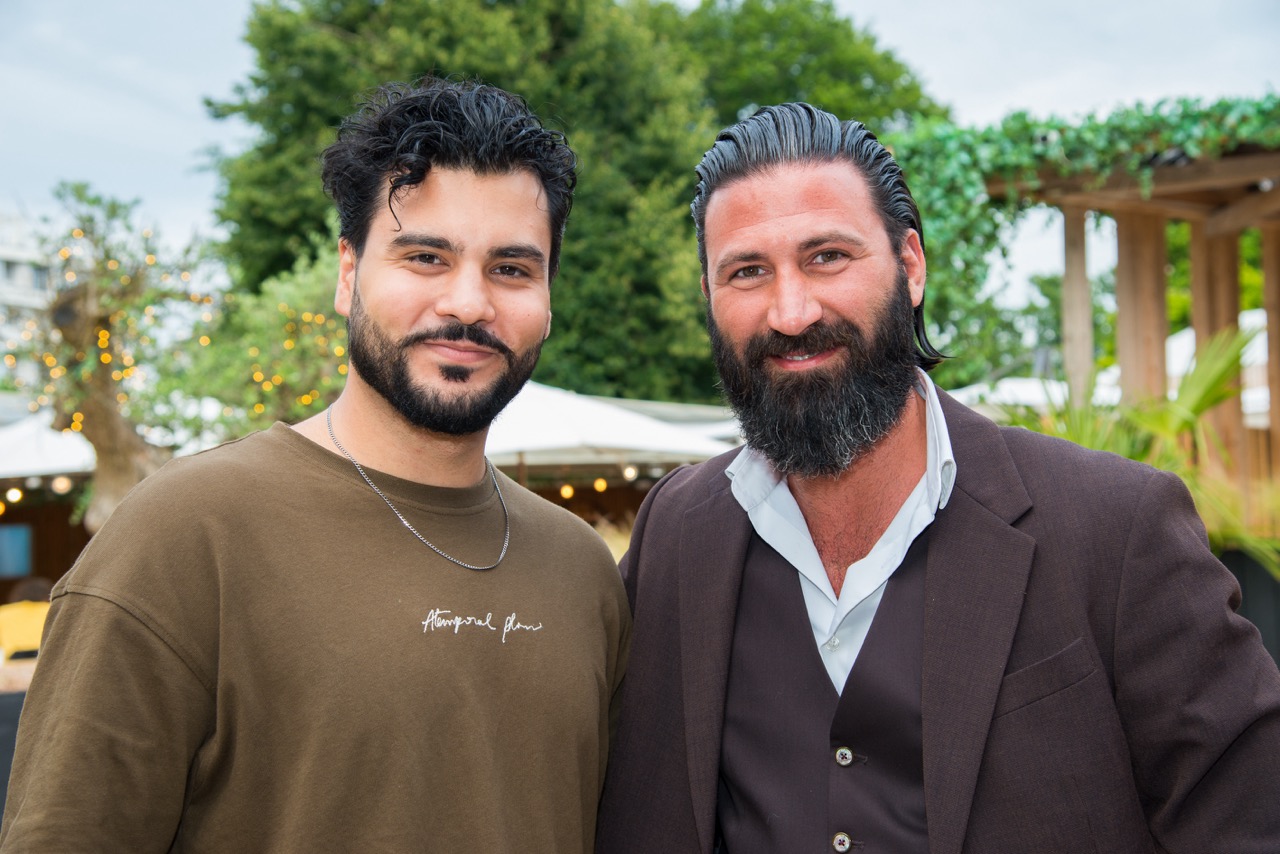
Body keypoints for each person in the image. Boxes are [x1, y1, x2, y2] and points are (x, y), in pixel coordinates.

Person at [595, 103, 1280, 853]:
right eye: (748, 272)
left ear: (911, 266)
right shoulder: (676, 535)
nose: (790, 312)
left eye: (827, 256)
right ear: (709, 296)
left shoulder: (1117, 529)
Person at [1, 77, 629, 852]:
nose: (469, 304)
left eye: (511, 269)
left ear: (548, 298)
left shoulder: (584, 571)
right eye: (425, 256)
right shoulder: (182, 538)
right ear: (347, 273)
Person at [0, 578, 53, 663]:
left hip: (14, 661)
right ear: (47, 596)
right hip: (46, 657)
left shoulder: (3, 613)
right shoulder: (51, 610)